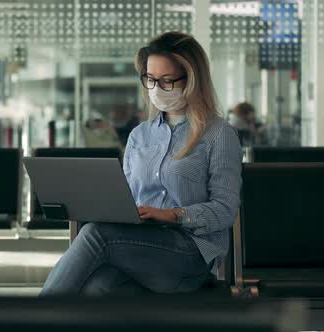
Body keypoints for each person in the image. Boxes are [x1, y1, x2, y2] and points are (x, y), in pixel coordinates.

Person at [40, 31, 242, 296]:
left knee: (96, 234)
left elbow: (225, 210)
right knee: (97, 287)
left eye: (167, 81)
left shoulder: (218, 134)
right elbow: (128, 200)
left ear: (192, 80)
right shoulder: (140, 135)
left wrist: (173, 214)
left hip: (188, 254)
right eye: (150, 79)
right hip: (138, 248)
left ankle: (32, 318)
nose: (156, 88)